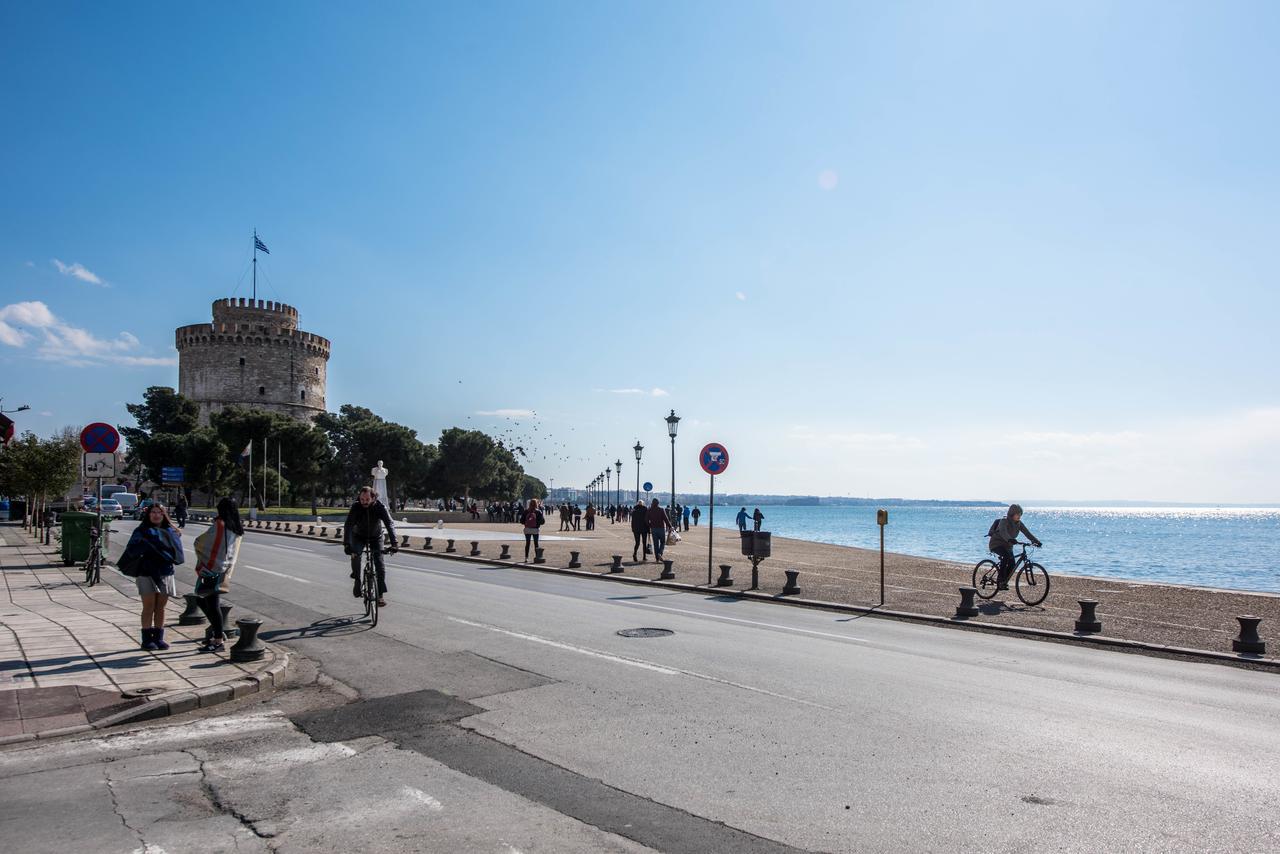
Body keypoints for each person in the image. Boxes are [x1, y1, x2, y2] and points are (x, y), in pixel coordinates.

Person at [120, 503, 184, 651]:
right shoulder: (141, 530)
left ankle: (159, 638)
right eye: (153, 512)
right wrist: (147, 545)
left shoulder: (170, 531)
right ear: (148, 515)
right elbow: (132, 549)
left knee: (160, 607)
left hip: (165, 572)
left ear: (164, 515)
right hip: (146, 572)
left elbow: (177, 554)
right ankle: (147, 639)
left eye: (159, 513)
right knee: (148, 606)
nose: (156, 515)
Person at [191, 497, 243, 652]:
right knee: (204, 601)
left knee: (211, 605)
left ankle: (218, 640)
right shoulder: (236, 527)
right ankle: (217, 632)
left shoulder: (219, 525)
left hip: (212, 569)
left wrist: (198, 546)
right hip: (224, 570)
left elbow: (202, 543)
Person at [344, 486, 397, 607]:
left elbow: (389, 524)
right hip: (358, 536)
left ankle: (380, 596)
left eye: (367, 499)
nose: (364, 502)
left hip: (376, 537)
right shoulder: (356, 507)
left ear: (373, 498)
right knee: (355, 554)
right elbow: (348, 525)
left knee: (380, 565)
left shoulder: (380, 507)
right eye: (362, 499)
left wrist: (394, 543)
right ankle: (357, 580)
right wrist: (347, 543)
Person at [987, 503, 1042, 590]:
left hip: (1008, 546)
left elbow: (1027, 533)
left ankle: (1004, 581)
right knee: (1006, 557)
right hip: (996, 544)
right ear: (1012, 514)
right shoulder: (1004, 521)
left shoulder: (1019, 524)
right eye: (1017, 514)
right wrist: (1009, 539)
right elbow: (1003, 532)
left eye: (1020, 514)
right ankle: (1000, 580)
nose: (1019, 516)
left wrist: (1036, 541)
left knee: (1012, 564)